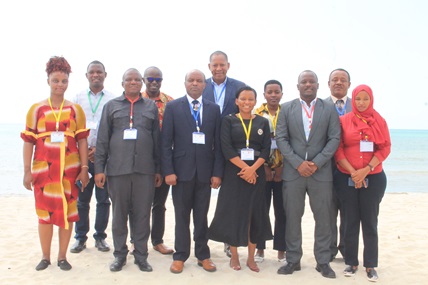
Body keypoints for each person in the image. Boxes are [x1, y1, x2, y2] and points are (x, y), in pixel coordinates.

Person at [21, 56, 89, 271]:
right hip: (43, 171)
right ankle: (45, 256)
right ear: (48, 80)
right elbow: (28, 142)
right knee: (44, 214)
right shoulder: (36, 109)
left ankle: (62, 257)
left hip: (69, 171)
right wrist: (27, 172)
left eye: (64, 81)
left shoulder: (75, 110)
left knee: (68, 214)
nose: (60, 85)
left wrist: (84, 169)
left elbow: (82, 140)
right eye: (56, 80)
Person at [94, 68, 161, 273]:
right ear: (122, 83)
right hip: (117, 170)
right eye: (128, 79)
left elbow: (157, 141)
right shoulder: (111, 106)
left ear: (141, 83)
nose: (133, 82)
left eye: (136, 79)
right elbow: (102, 140)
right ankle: (120, 255)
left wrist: (158, 169)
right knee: (119, 215)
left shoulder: (150, 107)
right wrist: (99, 169)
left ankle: (141, 255)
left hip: (145, 171)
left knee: (142, 215)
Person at [276, 70, 340, 279]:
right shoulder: (286, 108)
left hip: (320, 174)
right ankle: (293, 260)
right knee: (293, 217)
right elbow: (281, 139)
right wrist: (298, 163)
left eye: (312, 81)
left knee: (324, 219)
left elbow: (334, 139)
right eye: (304, 81)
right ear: (298, 86)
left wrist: (317, 163)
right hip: (293, 173)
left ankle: (323, 261)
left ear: (318, 85)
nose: (308, 84)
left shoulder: (329, 108)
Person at [161, 69, 224, 274]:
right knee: (181, 216)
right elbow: (165, 143)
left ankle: (203, 255)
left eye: (199, 80)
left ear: (205, 84)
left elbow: (218, 144)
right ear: (185, 83)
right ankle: (180, 256)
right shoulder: (172, 107)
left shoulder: (214, 109)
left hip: (205, 174)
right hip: (180, 173)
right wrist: (168, 171)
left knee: (201, 216)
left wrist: (217, 173)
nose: (195, 83)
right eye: (191, 80)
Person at [208, 86, 272, 273]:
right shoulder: (227, 121)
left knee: (255, 215)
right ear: (236, 101)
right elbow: (226, 148)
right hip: (234, 173)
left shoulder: (262, 122)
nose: (246, 102)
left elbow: (267, 150)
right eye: (243, 99)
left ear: (255, 101)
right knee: (233, 214)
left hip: (257, 173)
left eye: (250, 99)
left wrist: (253, 169)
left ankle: (251, 258)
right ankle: (234, 255)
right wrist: (246, 169)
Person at [334, 84, 391, 282]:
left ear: (371, 99)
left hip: (373, 177)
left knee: (369, 221)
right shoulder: (344, 120)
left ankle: (370, 265)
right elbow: (338, 149)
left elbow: (385, 148)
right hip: (346, 176)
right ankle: (351, 261)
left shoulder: (379, 120)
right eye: (358, 98)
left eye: (365, 99)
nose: (361, 102)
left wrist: (365, 171)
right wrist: (353, 173)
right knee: (349, 220)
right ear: (353, 99)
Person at [202, 50, 246, 257]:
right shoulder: (200, 86)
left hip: (232, 150)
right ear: (209, 66)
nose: (218, 68)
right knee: (201, 199)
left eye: (222, 65)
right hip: (204, 148)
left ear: (228, 65)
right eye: (214, 65)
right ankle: (201, 242)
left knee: (231, 199)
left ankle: (230, 242)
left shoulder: (239, 87)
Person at [129, 66, 174, 255]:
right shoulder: (135, 100)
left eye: (158, 79)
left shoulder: (170, 102)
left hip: (163, 160)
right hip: (141, 159)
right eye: (150, 79)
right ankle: (135, 242)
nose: (154, 82)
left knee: (159, 204)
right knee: (138, 204)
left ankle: (157, 241)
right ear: (144, 80)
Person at [70, 60, 115, 254]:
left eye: (99, 72)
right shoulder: (77, 99)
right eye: (92, 72)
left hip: (104, 158)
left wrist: (99, 150)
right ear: (86, 76)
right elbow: (71, 128)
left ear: (105, 75)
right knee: (82, 200)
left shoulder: (113, 99)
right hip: (82, 158)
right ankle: (80, 238)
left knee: (103, 200)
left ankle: (100, 237)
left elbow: (115, 129)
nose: (96, 75)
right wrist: (85, 151)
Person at [254, 80, 286, 263]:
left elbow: (293, 141)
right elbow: (255, 143)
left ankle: (281, 250)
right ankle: (260, 249)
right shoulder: (257, 113)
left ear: (282, 94)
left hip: (284, 171)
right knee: (261, 210)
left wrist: (283, 166)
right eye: (270, 92)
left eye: (277, 92)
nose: (273, 95)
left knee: (282, 212)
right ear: (264, 94)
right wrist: (264, 166)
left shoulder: (287, 112)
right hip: (261, 170)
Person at [325, 68, 352, 260]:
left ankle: (346, 249)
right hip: (326, 167)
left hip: (350, 169)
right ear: (328, 84)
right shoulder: (320, 105)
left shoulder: (358, 105)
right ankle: (329, 250)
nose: (339, 82)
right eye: (335, 79)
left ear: (349, 84)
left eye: (343, 80)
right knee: (328, 211)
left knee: (349, 212)